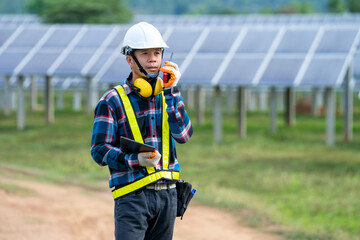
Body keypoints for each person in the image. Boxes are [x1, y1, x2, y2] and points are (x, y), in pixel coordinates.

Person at [90, 21, 193, 240]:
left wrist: (171, 91)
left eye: (157, 52)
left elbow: (183, 135)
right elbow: (98, 150)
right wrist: (134, 160)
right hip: (132, 197)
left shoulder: (170, 96)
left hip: (168, 195)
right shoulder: (112, 100)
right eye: (145, 53)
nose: (153, 59)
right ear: (130, 59)